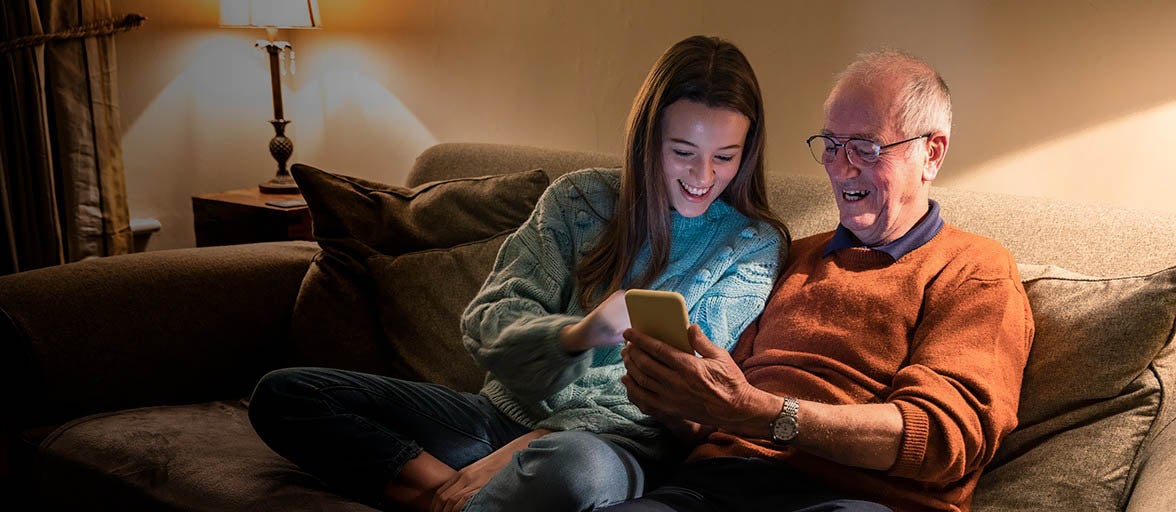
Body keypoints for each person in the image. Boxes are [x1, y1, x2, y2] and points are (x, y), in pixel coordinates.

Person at [247, 35, 789, 512]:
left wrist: (520, 451)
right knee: (285, 394)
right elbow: (488, 322)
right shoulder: (580, 199)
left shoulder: (753, 244)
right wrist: (579, 336)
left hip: (613, 444)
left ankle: (462, 494)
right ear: (648, 140)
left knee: (572, 473)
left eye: (725, 156)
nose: (703, 176)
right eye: (683, 152)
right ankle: (442, 493)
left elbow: (680, 399)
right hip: (495, 416)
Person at [613, 50, 1034, 512]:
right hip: (716, 482)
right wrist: (674, 401)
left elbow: (939, 439)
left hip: (853, 499)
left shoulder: (976, 269)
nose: (840, 167)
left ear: (931, 152)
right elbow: (722, 413)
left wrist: (765, 413)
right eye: (831, 145)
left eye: (866, 148)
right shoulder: (790, 255)